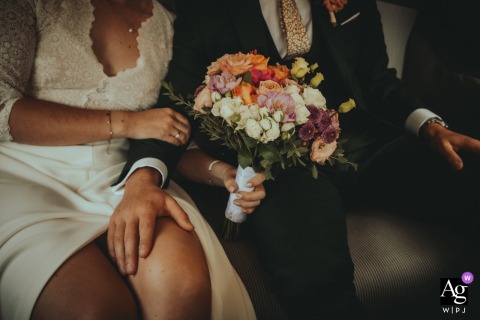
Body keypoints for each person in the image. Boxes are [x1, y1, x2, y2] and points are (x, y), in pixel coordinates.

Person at [115, 0, 480, 319]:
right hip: (277, 165)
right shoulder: (206, 8)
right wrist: (144, 177)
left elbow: (378, 79)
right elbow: (175, 105)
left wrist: (430, 126)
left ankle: (458, 305)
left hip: (362, 142)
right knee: (314, 280)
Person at [0, 0, 265, 319]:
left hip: (128, 178)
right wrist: (129, 122)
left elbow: (173, 138)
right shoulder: (28, 5)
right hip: (24, 173)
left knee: (182, 286)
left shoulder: (172, 25)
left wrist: (221, 173)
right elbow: (2, 108)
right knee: (92, 310)